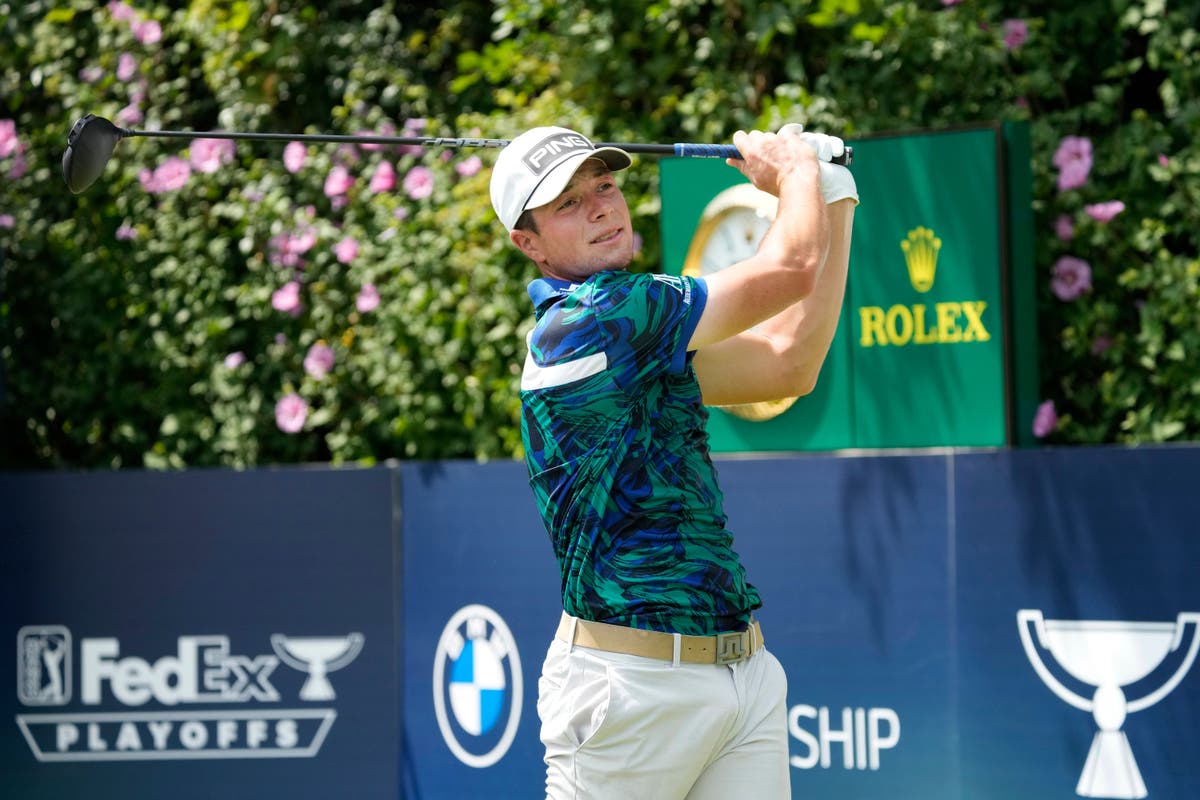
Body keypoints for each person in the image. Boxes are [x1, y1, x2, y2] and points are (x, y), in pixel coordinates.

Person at [489, 123, 857, 800]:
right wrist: (795, 172)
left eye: (603, 186)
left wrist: (834, 196)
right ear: (528, 244)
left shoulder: (642, 341)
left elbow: (789, 363)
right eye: (567, 203)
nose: (601, 206)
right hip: (628, 691)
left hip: (739, 676)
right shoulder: (596, 320)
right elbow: (790, 270)